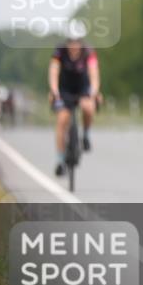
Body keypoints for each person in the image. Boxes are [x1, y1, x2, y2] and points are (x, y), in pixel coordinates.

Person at [48, 20, 101, 176]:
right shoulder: (59, 51)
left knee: (88, 107)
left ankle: (86, 135)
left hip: (83, 88)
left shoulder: (88, 52)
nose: (74, 45)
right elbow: (53, 72)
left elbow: (94, 73)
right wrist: (54, 90)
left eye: (77, 41)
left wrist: (94, 91)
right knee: (62, 119)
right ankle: (60, 160)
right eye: (71, 41)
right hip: (64, 89)